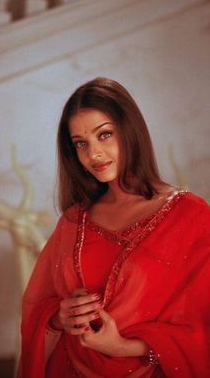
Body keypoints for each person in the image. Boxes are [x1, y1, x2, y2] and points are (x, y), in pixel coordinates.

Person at [17, 77, 210, 378]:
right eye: (81, 143)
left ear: (130, 130)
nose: (93, 154)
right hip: (68, 368)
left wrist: (124, 346)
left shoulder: (190, 216)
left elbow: (202, 326)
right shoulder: (73, 220)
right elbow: (37, 306)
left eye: (104, 135)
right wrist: (58, 318)